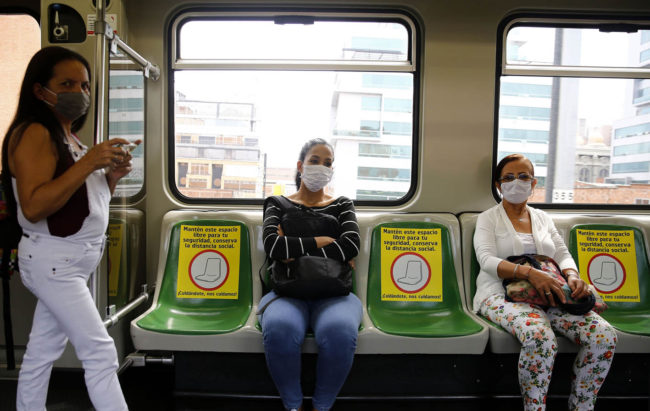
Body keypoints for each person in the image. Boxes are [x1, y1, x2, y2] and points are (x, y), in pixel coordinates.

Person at [1, 46, 136, 410]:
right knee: (100, 351)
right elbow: (34, 207)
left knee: (43, 349)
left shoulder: (70, 139)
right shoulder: (34, 133)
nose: (80, 93)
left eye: (85, 86)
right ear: (39, 90)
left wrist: (111, 177)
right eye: (67, 84)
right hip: (54, 264)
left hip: (70, 263)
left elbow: (83, 204)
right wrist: (90, 162)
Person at [473, 154, 617, 411]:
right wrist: (529, 274)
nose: (516, 182)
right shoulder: (488, 218)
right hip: (500, 293)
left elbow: (561, 253)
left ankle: (582, 406)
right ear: (498, 185)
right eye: (508, 177)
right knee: (540, 337)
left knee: (603, 336)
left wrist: (572, 276)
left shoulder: (542, 217)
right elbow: (486, 260)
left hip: (550, 293)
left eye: (523, 177)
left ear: (533, 183)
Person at [259, 138, 362, 411]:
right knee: (280, 329)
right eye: (314, 161)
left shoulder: (342, 204)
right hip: (287, 291)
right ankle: (293, 405)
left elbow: (351, 246)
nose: (321, 167)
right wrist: (324, 241)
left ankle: (321, 406)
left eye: (327, 163)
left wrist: (294, 248)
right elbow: (273, 246)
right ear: (300, 165)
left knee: (340, 332)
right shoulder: (277, 203)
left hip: (335, 292)